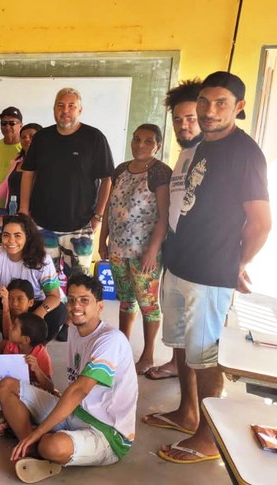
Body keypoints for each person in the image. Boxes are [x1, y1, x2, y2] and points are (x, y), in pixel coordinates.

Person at [150, 72, 271, 465]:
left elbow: (261, 223)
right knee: (182, 345)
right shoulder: (200, 145)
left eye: (221, 103)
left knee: (205, 355)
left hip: (210, 272)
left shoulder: (245, 153)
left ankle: (208, 434)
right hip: (180, 263)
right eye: (204, 101)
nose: (209, 110)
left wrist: (237, 263)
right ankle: (187, 412)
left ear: (239, 107)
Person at [0, 274, 138, 483]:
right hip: (75, 410)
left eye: (84, 300)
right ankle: (31, 446)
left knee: (52, 446)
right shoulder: (74, 329)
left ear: (100, 306)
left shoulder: (111, 340)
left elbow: (79, 390)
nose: (76, 306)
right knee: (7, 386)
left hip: (107, 432)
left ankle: (35, 441)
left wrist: (38, 432)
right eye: (71, 300)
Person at [143, 79, 204, 382]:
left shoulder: (211, 154)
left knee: (200, 336)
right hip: (177, 254)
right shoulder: (184, 154)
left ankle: (199, 401)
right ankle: (177, 369)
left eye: (191, 118)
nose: (184, 125)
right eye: (178, 119)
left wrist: (241, 260)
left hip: (202, 261)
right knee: (177, 325)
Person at [98, 124, 171, 374]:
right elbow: (109, 207)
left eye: (148, 141)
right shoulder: (121, 169)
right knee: (126, 299)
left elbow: (164, 216)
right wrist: (103, 240)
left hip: (144, 252)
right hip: (118, 249)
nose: (140, 145)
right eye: (137, 139)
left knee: (147, 303)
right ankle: (122, 346)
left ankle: (148, 355)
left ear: (157, 146)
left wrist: (152, 251)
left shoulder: (160, 172)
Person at [19, 88, 114, 278]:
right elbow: (28, 174)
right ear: (54, 109)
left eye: (71, 106)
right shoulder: (41, 138)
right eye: (60, 105)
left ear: (80, 110)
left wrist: (98, 216)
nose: (65, 111)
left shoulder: (94, 138)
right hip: (42, 224)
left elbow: (107, 179)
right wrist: (23, 210)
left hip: (80, 226)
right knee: (42, 280)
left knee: (80, 283)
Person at [0, 215, 65, 342]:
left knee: (59, 311)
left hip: (34, 304)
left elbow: (54, 296)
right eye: (6, 235)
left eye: (17, 235)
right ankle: (2, 345)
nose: (11, 241)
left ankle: (38, 347)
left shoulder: (42, 260)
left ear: (27, 237)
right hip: (7, 302)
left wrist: (36, 316)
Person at [0, 313, 54, 438]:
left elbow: (50, 387)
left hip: (33, 391)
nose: (10, 327)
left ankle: (14, 424)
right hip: (14, 386)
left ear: (26, 340)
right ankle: (15, 423)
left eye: (14, 327)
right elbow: (5, 370)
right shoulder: (11, 345)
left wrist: (37, 369)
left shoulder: (41, 354)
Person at [0, 123, 43, 211]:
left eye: (32, 136)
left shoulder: (47, 164)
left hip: (36, 214)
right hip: (12, 211)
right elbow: (5, 185)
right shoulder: (16, 162)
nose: (27, 139)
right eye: (23, 137)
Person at [0, 107, 24, 207]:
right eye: (3, 123)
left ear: (21, 125)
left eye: (12, 123)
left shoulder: (25, 148)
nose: (7, 127)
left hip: (18, 205)